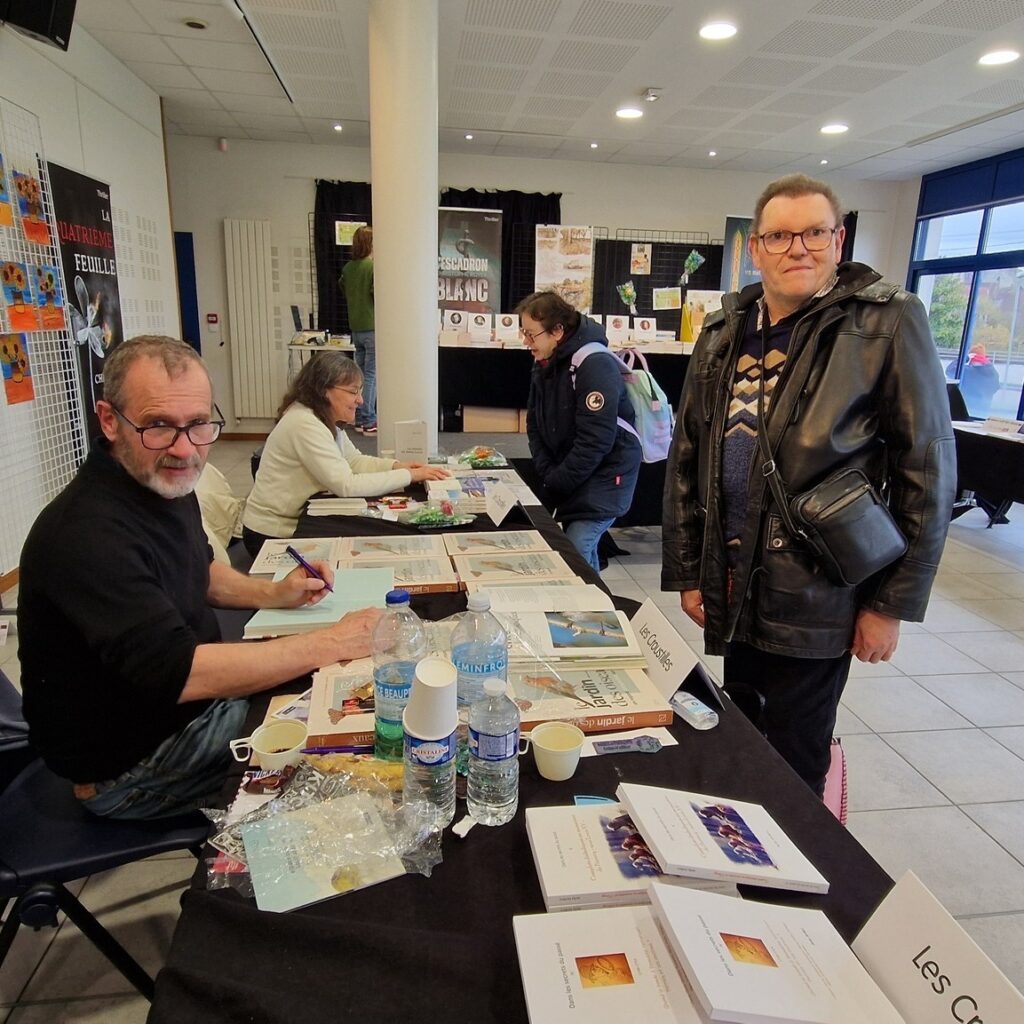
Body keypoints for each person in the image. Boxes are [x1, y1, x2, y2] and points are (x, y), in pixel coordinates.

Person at [662, 174, 956, 796]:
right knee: (738, 732)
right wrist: (691, 571)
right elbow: (688, 458)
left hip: (820, 587)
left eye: (814, 232)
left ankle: (793, 879)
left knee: (795, 755)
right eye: (778, 235)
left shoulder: (887, 321)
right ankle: (741, 855)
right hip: (735, 583)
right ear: (756, 248)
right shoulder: (724, 330)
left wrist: (890, 605)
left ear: (838, 238)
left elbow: (926, 472)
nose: (797, 247)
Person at [18, 336, 384, 819]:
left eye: (197, 425)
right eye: (158, 427)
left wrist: (276, 592)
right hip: (133, 764)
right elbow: (184, 673)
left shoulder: (158, 481)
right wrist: (331, 641)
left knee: (352, 692)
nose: (184, 449)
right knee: (357, 746)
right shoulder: (87, 536)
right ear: (109, 420)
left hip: (185, 707)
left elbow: (200, 571)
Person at [242, 352, 448, 555]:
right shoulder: (304, 424)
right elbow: (346, 485)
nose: (360, 400)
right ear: (324, 390)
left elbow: (354, 460)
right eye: (353, 391)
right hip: (272, 534)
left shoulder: (320, 419)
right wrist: (409, 475)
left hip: (292, 521)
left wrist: (396, 466)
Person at [517, 290, 641, 573]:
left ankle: (590, 612)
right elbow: (534, 422)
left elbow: (595, 440)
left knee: (575, 549)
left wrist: (557, 479)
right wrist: (546, 470)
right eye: (523, 333)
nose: (526, 342)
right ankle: (599, 609)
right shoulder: (545, 362)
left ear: (557, 330)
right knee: (581, 552)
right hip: (575, 475)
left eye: (531, 334)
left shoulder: (595, 363)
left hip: (608, 474)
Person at [339, 226, 376, 434]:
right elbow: (376, 293)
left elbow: (342, 288)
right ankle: (369, 418)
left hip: (356, 328)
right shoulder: (371, 267)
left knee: (359, 375)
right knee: (371, 374)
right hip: (372, 326)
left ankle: (360, 416)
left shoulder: (348, 268)